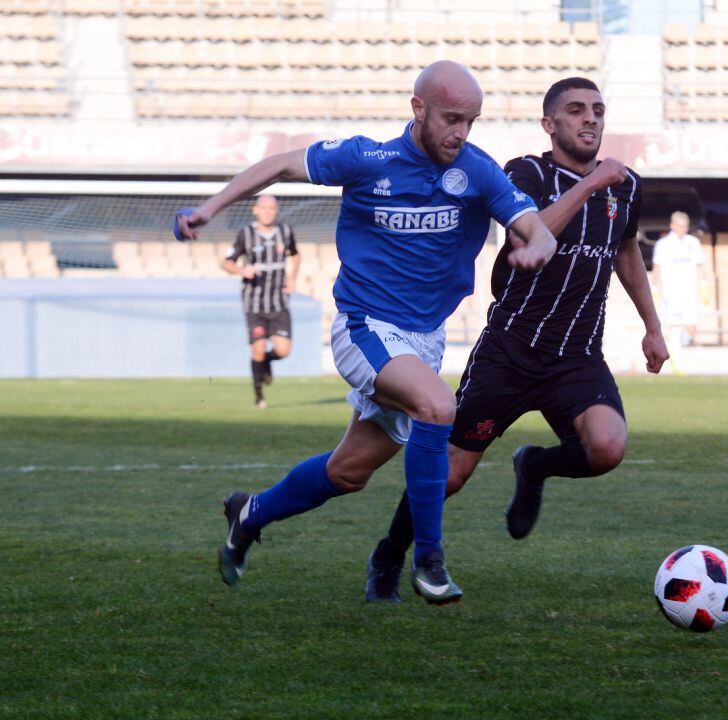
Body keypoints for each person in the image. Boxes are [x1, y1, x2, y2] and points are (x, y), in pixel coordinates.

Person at [174, 61, 557, 604]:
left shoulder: (478, 171)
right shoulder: (366, 158)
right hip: (365, 327)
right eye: (451, 119)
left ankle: (249, 512)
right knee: (438, 408)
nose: (461, 133)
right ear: (418, 109)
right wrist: (210, 209)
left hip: (424, 338)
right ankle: (428, 560)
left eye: (470, 121)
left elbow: (535, 228)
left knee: (348, 472)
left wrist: (536, 247)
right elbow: (283, 164)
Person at [364, 76, 669, 603]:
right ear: (550, 124)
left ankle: (535, 465)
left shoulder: (628, 186)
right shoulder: (525, 173)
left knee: (607, 447)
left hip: (576, 355)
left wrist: (653, 326)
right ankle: (390, 553)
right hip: (510, 352)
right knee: (452, 474)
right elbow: (529, 232)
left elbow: (625, 252)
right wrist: (590, 185)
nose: (590, 119)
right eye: (575, 110)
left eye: (598, 109)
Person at [220, 195, 300, 409]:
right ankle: (259, 397)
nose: (267, 212)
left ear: (277, 211)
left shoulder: (285, 232)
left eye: (272, 208)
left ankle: (266, 362)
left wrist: (292, 278)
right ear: (255, 210)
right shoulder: (245, 234)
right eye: (263, 208)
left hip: (279, 302)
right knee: (258, 348)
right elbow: (226, 263)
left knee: (283, 350)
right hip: (254, 304)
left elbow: (295, 255)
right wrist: (241, 269)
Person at [651, 210, 707, 367]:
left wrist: (705, 285)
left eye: (685, 226)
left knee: (691, 325)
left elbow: (700, 265)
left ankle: (686, 357)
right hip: (671, 292)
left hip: (689, 290)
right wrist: (653, 289)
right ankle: (674, 359)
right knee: (674, 325)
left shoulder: (693, 243)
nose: (683, 229)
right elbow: (657, 268)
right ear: (672, 226)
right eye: (680, 226)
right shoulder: (663, 244)